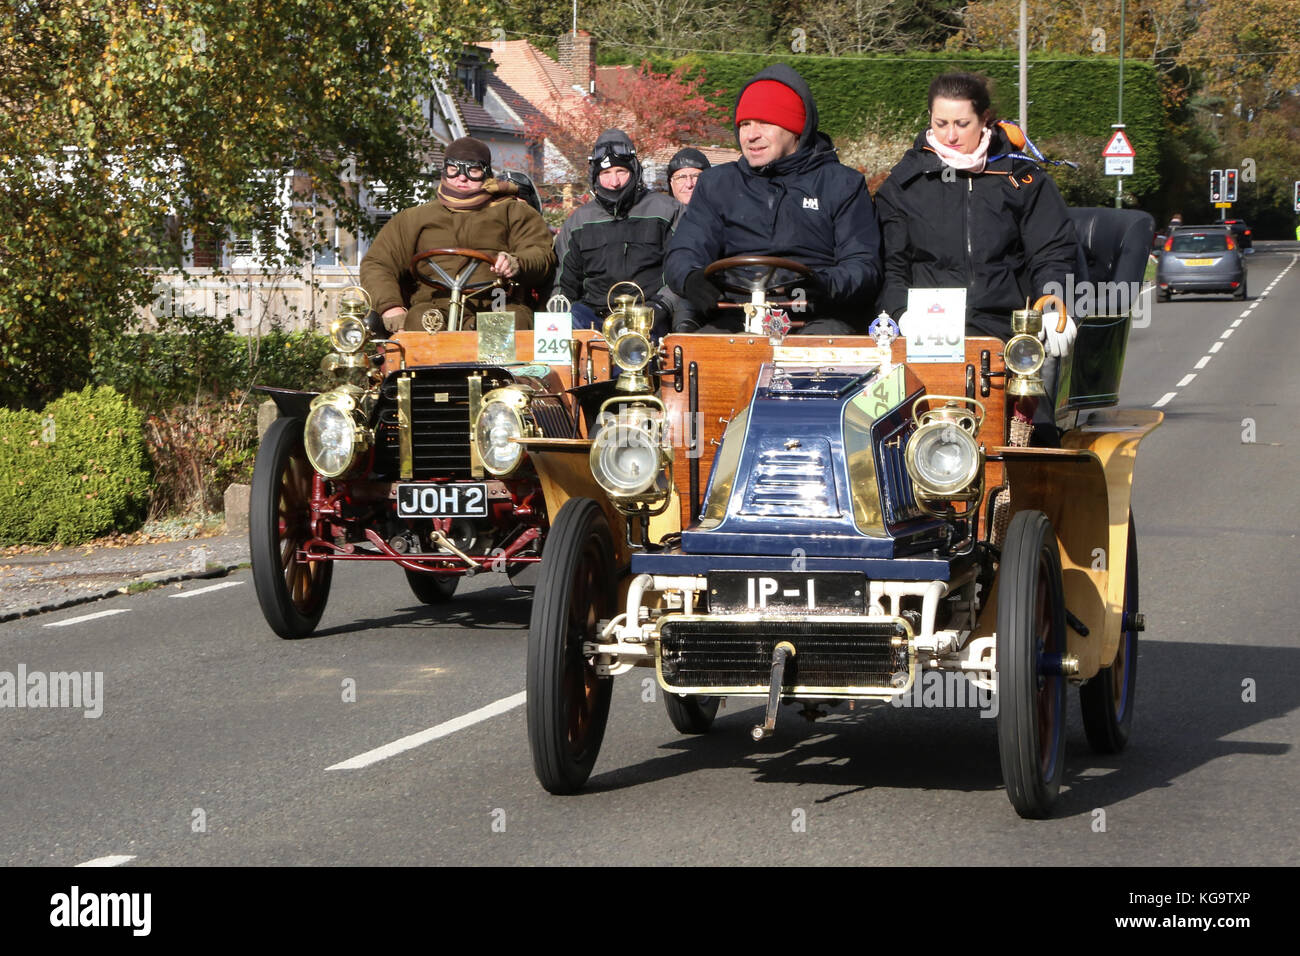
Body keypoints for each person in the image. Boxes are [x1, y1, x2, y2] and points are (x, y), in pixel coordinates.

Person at [664, 64, 883, 334]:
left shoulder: (842, 184)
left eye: (764, 123)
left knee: (827, 346)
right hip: (736, 316)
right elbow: (685, 251)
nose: (751, 134)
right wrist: (691, 278)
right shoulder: (717, 184)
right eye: (744, 124)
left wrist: (824, 285)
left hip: (817, 315)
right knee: (694, 356)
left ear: (795, 129)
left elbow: (863, 265)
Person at [874, 72, 1078, 352]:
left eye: (962, 124)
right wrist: (900, 313)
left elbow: (1051, 253)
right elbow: (892, 266)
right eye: (941, 123)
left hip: (1009, 328)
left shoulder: (1022, 178)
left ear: (985, 120)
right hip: (929, 331)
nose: (951, 135)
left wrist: (1055, 304)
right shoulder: (904, 183)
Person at [360, 137, 555, 331]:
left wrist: (517, 262)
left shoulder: (513, 212)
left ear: (486, 173)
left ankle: (498, 364)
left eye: (473, 170)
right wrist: (390, 307)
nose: (462, 177)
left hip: (497, 304)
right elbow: (378, 263)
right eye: (454, 169)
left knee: (511, 322)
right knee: (418, 320)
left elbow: (541, 253)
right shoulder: (414, 218)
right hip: (433, 308)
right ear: (444, 170)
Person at [552, 129, 689, 334]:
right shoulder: (578, 221)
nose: (614, 182)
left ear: (634, 170)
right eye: (606, 173)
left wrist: (662, 305)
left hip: (649, 314)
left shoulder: (667, 211)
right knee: (563, 326)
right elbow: (563, 284)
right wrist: (557, 317)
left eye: (621, 172)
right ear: (595, 177)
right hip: (592, 317)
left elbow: (683, 270)